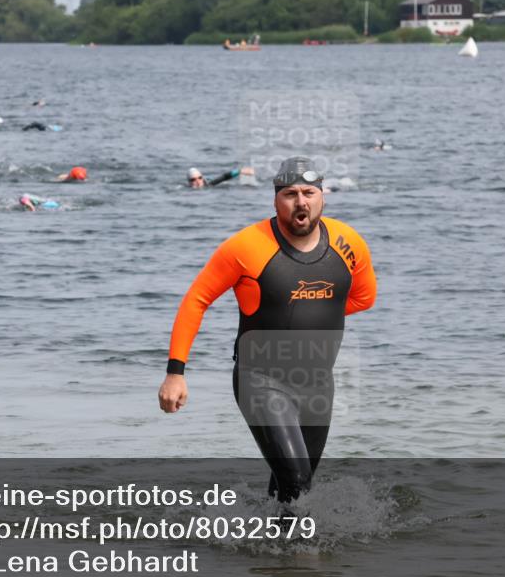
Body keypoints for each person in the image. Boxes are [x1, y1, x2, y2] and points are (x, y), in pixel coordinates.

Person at [158, 156, 377, 503]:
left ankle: (273, 551)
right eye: (290, 194)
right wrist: (175, 373)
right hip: (260, 379)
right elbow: (195, 301)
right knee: (298, 480)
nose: (301, 202)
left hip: (319, 384)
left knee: (292, 491)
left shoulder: (348, 242)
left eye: (309, 192)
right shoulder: (245, 247)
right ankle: (300, 556)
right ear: (276, 200)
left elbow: (364, 298)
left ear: (322, 196)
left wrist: (307, 308)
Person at [187, 166, 253, 189]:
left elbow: (224, 177)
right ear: (189, 182)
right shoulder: (183, 188)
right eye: (193, 180)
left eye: (200, 178)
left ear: (202, 178)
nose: (198, 181)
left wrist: (240, 171)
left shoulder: (209, 185)